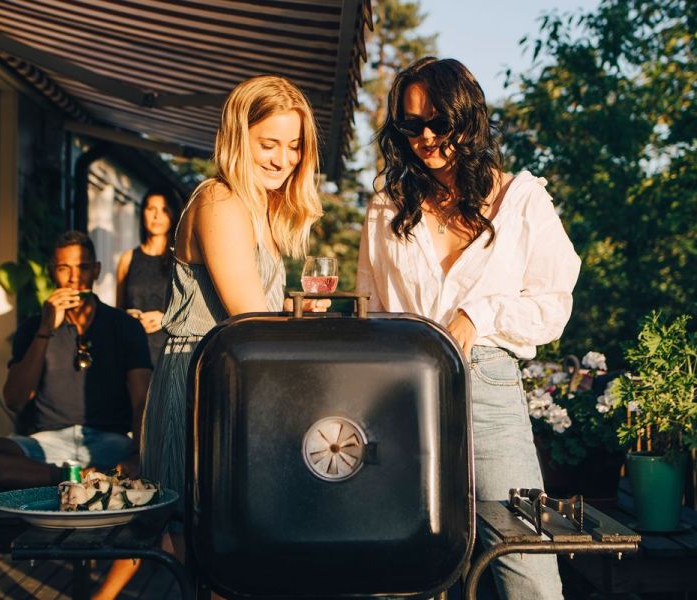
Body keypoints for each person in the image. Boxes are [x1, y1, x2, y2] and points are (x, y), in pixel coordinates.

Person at [92, 74, 326, 600]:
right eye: (269, 144)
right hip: (199, 383)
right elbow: (248, 317)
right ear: (238, 138)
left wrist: (296, 314)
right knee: (193, 546)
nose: (283, 159)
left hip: (234, 386)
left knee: (207, 548)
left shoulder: (263, 208)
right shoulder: (220, 201)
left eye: (293, 147)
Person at [356, 57, 581, 599]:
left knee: (522, 558)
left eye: (438, 121)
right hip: (402, 389)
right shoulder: (387, 206)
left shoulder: (522, 199)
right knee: (408, 561)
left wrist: (479, 314)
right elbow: (370, 305)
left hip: (487, 386)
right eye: (411, 125)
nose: (426, 137)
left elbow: (553, 304)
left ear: (468, 117)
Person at [0, 231, 152, 491]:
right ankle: (75, 479)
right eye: (64, 268)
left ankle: (81, 479)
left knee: (160, 458)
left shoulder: (125, 326)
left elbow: (142, 401)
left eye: (83, 268)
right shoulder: (33, 328)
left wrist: (137, 455)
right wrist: (46, 329)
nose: (74, 278)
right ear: (52, 272)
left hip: (110, 443)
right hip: (47, 446)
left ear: (96, 270)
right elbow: (15, 399)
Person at [115, 188, 174, 363]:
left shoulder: (181, 259)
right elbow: (118, 310)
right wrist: (128, 317)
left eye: (164, 209)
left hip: (169, 349)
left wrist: (166, 319)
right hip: (133, 348)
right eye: (151, 209)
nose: (157, 216)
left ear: (172, 214)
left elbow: (193, 311)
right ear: (142, 214)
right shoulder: (128, 258)